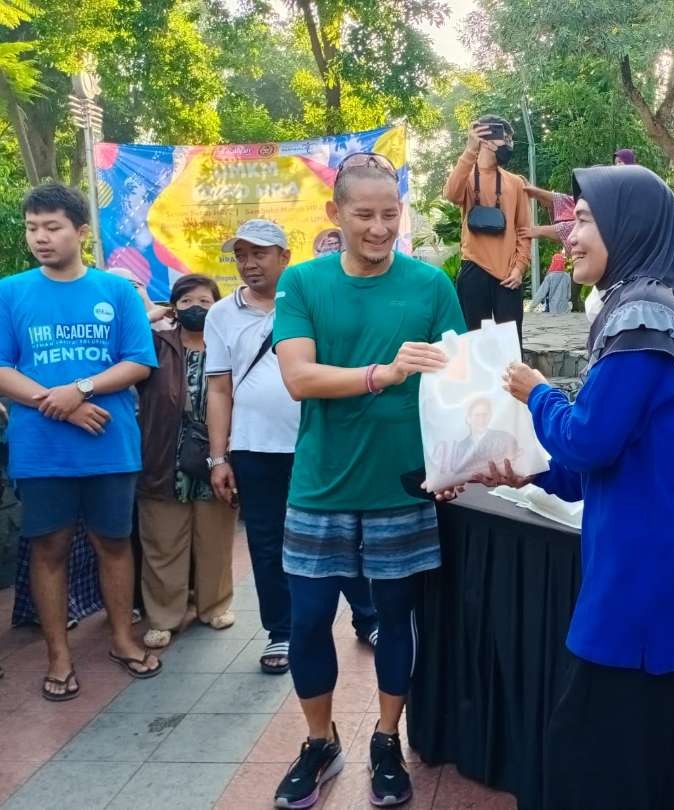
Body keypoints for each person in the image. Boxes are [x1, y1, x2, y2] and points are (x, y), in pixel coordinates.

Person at [475, 165, 674, 810]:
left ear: (629, 228)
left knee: (594, 751)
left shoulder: (641, 322)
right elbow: (609, 457)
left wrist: (538, 394)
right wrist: (526, 470)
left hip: (642, 579)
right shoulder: (642, 312)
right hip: (647, 566)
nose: (570, 234)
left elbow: (590, 438)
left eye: (586, 220)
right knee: (633, 749)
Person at [271, 161, 465, 809]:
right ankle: (319, 742)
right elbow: (298, 377)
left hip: (403, 483)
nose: (379, 227)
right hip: (320, 484)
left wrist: (464, 457)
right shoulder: (301, 283)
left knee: (396, 618)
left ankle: (387, 738)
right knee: (307, 621)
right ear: (337, 214)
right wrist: (382, 374)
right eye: (364, 214)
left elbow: (462, 381)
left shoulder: (432, 285)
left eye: (390, 214)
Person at [0, 182, 162, 701]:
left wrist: (82, 388)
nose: (40, 238)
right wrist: (61, 403)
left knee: (113, 543)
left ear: (81, 232)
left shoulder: (117, 291)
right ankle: (58, 656)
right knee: (48, 548)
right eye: (32, 228)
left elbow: (140, 360)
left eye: (52, 227)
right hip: (42, 448)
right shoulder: (11, 291)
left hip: (110, 445)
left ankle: (121, 638)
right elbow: (3, 367)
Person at [205, 219, 378, 675]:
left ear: (284, 256)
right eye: (241, 255)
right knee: (266, 542)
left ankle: (368, 618)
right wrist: (219, 456)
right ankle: (280, 631)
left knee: (344, 533)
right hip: (254, 447)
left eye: (259, 253)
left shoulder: (313, 300)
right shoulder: (221, 315)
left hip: (319, 441)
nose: (249, 263)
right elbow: (219, 390)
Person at [135, 274, 236, 649]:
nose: (196, 308)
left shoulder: (227, 347)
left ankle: (214, 606)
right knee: (162, 542)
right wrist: (149, 316)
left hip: (216, 457)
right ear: (173, 307)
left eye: (205, 302)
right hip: (163, 458)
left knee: (214, 538)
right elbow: (120, 349)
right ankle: (163, 616)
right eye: (186, 301)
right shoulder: (156, 345)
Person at [443, 115, 531, 342]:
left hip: (508, 275)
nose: (509, 146)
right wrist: (469, 151)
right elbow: (451, 194)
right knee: (473, 344)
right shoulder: (466, 177)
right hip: (474, 269)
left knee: (511, 346)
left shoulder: (515, 182)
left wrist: (520, 268)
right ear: (486, 140)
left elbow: (524, 229)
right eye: (505, 139)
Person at [447, 396, 520, 477]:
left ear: (491, 416)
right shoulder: (460, 447)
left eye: (484, 415)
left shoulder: (506, 439)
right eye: (477, 415)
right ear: (468, 419)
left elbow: (514, 467)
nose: (481, 419)